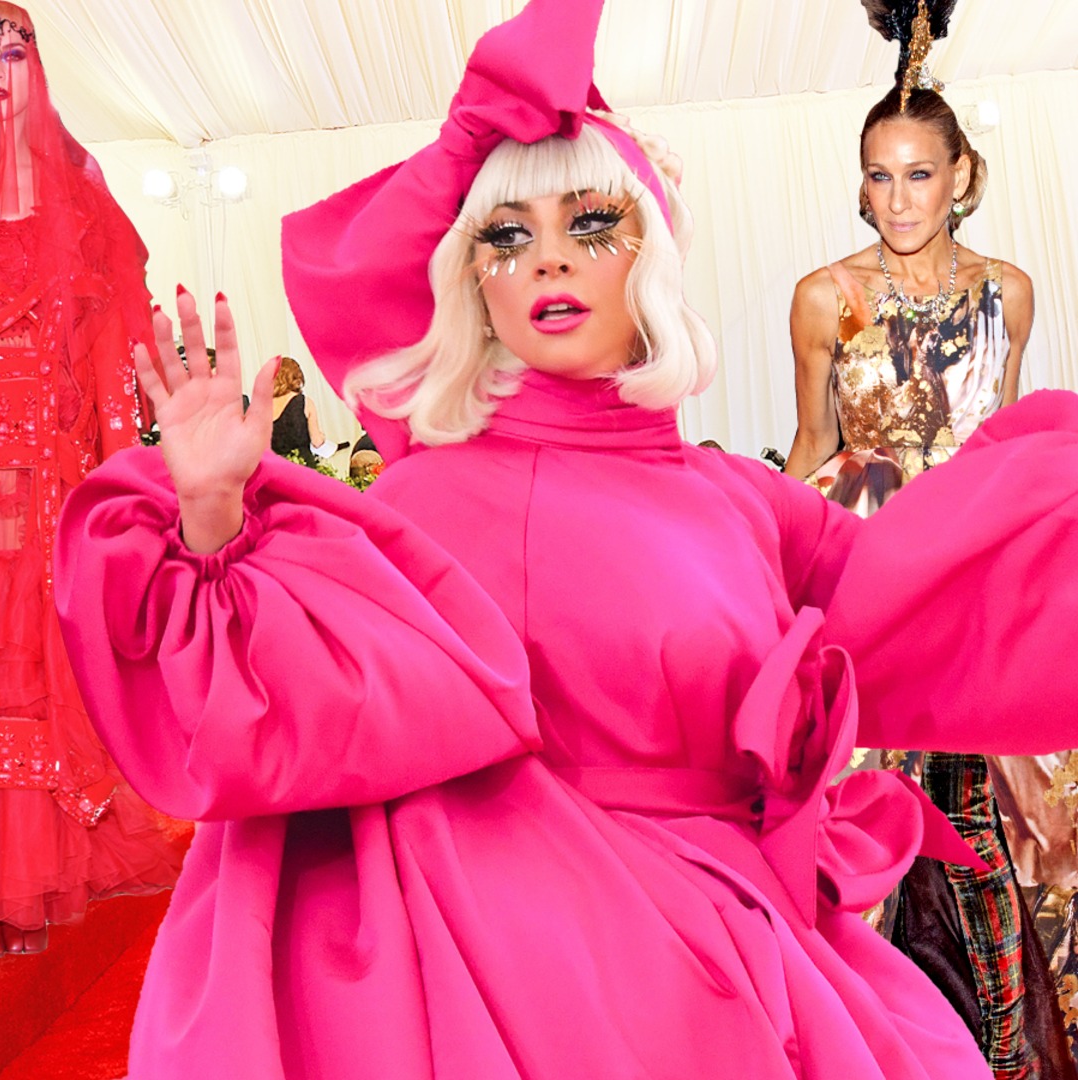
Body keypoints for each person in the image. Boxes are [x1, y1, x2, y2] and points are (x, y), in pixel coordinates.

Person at [52, 1, 1078, 1076]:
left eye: (590, 225)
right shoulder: (419, 499)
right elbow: (286, 704)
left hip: (724, 954)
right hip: (506, 975)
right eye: (508, 235)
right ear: (471, 277)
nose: (548, 261)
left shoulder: (739, 501)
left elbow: (928, 604)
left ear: (652, 260)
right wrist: (212, 516)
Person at [783, 3, 1072, 1076]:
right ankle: (853, 1048)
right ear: (860, 185)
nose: (899, 197)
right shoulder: (826, 298)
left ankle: (1000, 1055)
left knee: (993, 831)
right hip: (873, 573)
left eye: (919, 174)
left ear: (961, 176)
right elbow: (815, 446)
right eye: (880, 176)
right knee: (856, 828)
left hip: (974, 573)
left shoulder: (1009, 293)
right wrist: (777, 585)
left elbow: (998, 443)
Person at [0, 4, 183, 955]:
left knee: (34, 655)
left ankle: (32, 867)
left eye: (13, 49)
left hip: (49, 468)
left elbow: (118, 341)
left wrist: (115, 468)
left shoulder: (80, 197)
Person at [270, 355, 331, 465]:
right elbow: (316, 441)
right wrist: (322, 437)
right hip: (302, 466)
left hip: (276, 468)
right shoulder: (305, 402)